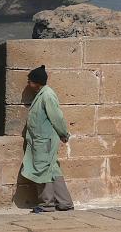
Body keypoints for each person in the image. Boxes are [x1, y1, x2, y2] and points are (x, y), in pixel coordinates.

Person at [21, 64, 75, 213]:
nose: (28, 83)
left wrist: (63, 134)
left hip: (44, 142)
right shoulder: (42, 94)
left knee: (41, 171)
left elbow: (57, 117)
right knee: (53, 170)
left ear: (37, 82)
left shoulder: (47, 95)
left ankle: (47, 204)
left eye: (30, 81)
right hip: (41, 141)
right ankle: (65, 203)